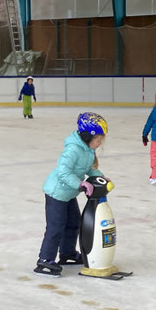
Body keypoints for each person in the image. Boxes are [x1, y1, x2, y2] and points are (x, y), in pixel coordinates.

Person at [34, 112, 109, 277]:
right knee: (56, 226)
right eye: (98, 140)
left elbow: (88, 168)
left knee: (74, 223)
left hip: (68, 194)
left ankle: (67, 253)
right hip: (57, 192)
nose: (99, 144)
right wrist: (81, 184)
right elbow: (63, 171)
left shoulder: (87, 149)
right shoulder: (73, 149)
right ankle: (45, 260)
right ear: (87, 136)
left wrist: (99, 176)